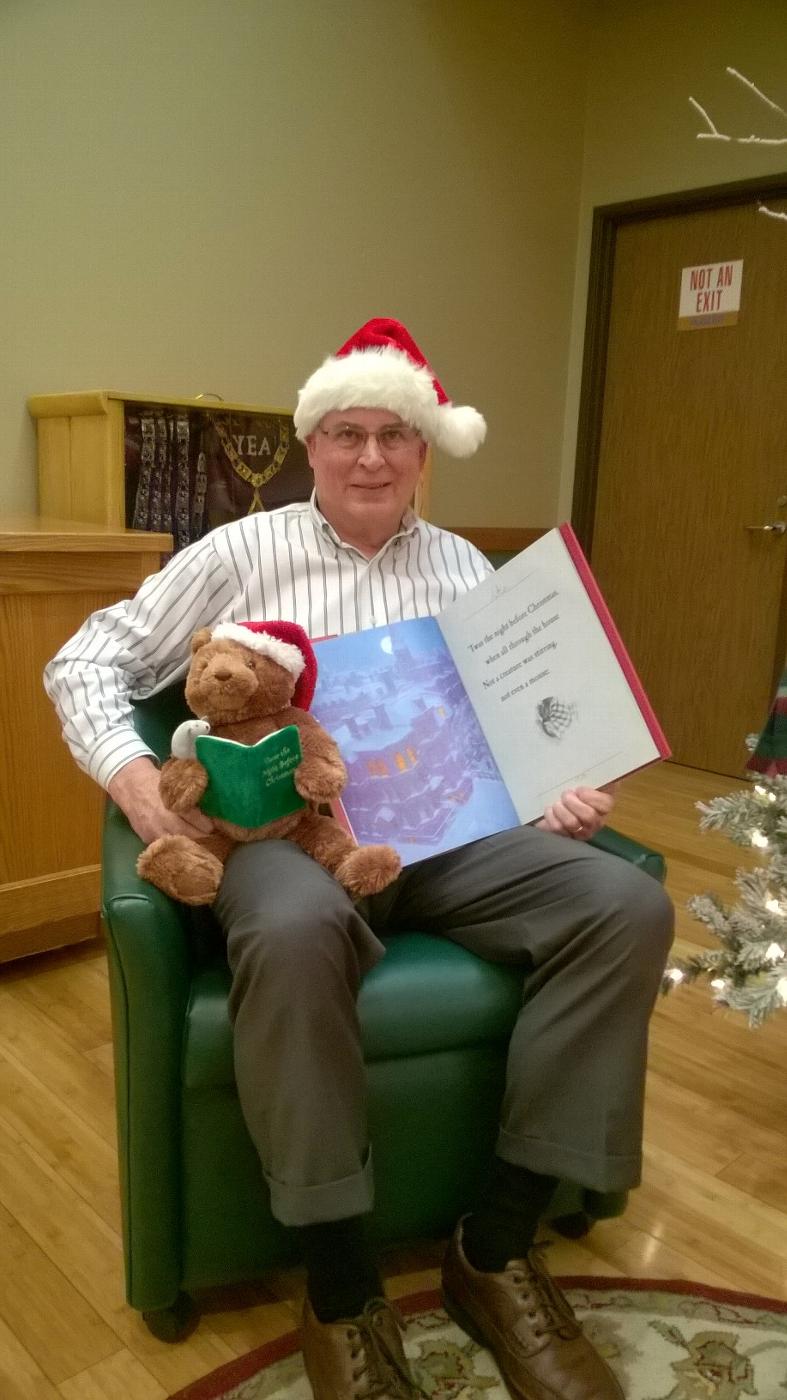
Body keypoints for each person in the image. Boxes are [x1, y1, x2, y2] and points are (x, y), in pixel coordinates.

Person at [45, 317, 673, 1400]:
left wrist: (554, 780)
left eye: (395, 434)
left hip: (445, 836)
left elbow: (514, 720)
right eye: (348, 433)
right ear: (313, 445)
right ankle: (338, 1285)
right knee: (292, 924)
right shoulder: (241, 552)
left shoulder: (464, 563)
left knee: (623, 903)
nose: (372, 456)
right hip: (286, 840)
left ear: (425, 451)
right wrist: (134, 780)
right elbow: (84, 658)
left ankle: (497, 1242)